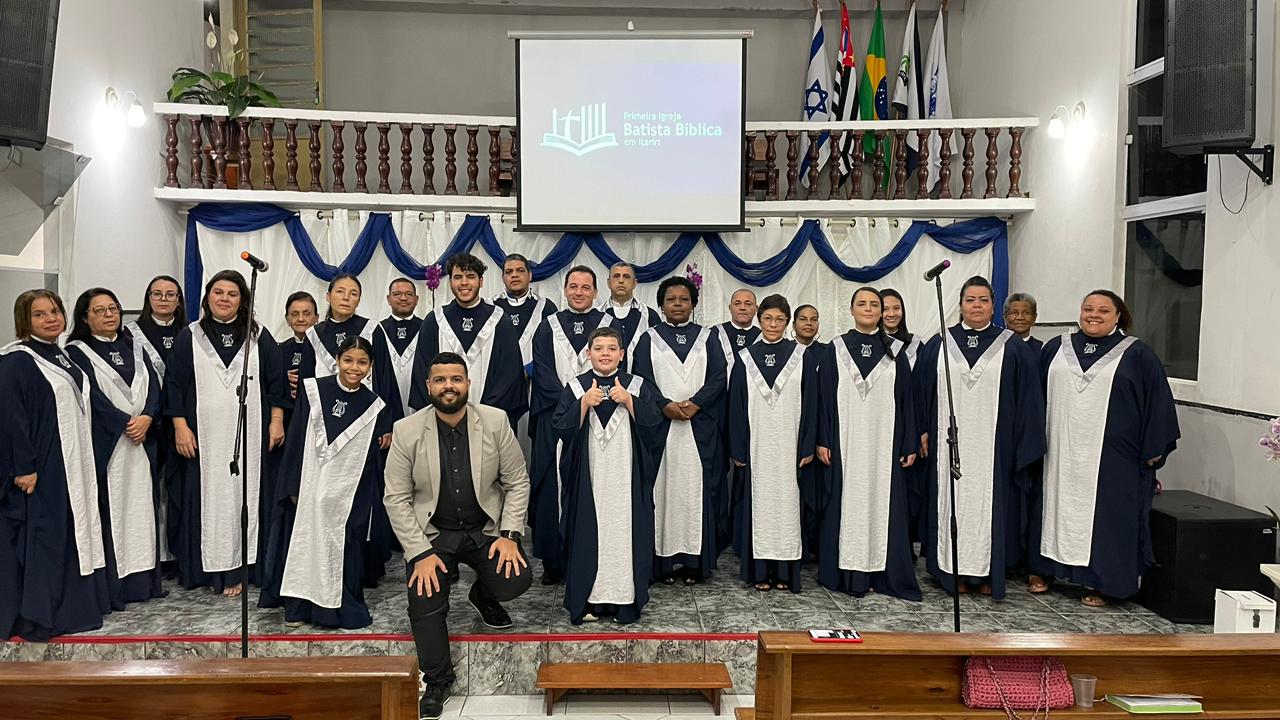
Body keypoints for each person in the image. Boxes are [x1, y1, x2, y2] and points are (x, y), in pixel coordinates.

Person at [385, 352, 532, 720]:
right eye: (440, 380)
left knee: (515, 578)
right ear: (428, 386)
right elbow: (396, 498)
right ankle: (438, 680)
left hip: (485, 529)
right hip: (434, 533)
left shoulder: (495, 421)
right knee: (424, 598)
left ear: (468, 383)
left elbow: (517, 482)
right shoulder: (407, 430)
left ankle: (483, 594)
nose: (448, 386)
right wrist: (419, 553)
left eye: (456, 379)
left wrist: (509, 535)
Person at [1028, 290, 1179, 607]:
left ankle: (1101, 582)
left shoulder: (1137, 355)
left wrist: (1154, 446)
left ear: (1118, 316)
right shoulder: (1057, 347)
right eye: (1088, 308)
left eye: (1103, 310)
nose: (1093, 315)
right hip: (1059, 449)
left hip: (1113, 456)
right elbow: (1035, 396)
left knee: (1109, 517)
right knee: (1051, 505)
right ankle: (1046, 569)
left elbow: (1157, 403)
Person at [0, 289, 127, 640]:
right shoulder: (17, 361)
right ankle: (41, 615)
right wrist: (23, 466)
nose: (50, 319)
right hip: (44, 466)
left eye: (55, 311)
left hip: (73, 463)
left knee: (74, 532)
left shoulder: (62, 355)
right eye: (39, 314)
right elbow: (11, 418)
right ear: (24, 320)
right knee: (46, 537)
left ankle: (76, 607)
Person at [914, 276, 1045, 600]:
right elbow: (920, 393)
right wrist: (923, 430)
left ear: (993, 306)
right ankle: (950, 572)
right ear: (960, 305)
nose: (976, 306)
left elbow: (1030, 402)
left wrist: (1022, 446)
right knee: (949, 502)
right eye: (970, 300)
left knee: (993, 508)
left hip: (996, 450)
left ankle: (988, 573)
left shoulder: (1012, 347)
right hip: (947, 447)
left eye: (983, 300)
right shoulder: (939, 343)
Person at [165, 269, 288, 596]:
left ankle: (246, 568)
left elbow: (276, 381)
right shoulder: (189, 336)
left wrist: (277, 420)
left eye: (232, 294)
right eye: (218, 292)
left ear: (242, 300)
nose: (224, 299)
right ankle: (211, 570)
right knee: (210, 498)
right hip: (203, 438)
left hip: (251, 434)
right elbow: (174, 384)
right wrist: (180, 426)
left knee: (246, 495)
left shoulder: (258, 336)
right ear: (207, 297)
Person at [260, 336, 389, 628]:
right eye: (348, 360)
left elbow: (370, 461)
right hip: (308, 487)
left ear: (370, 367)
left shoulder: (373, 406)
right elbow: (295, 441)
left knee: (344, 547)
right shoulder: (313, 391)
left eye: (362, 362)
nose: (354, 368)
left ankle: (332, 609)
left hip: (347, 496)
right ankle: (298, 606)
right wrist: (292, 485)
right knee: (304, 542)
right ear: (337, 361)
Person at [553, 326, 663, 624]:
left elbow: (655, 427)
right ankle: (588, 600)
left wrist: (629, 401)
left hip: (626, 476)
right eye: (599, 348)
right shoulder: (576, 387)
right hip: (589, 479)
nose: (605, 354)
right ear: (588, 354)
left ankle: (625, 600)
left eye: (612, 348)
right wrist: (582, 404)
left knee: (624, 534)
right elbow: (559, 428)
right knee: (588, 533)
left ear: (622, 354)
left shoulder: (637, 386)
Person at [816, 288, 920, 601]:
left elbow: (907, 401)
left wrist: (909, 442)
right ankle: (847, 574)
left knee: (882, 504)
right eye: (862, 303)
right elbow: (823, 399)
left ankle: (882, 574)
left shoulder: (895, 351)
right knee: (846, 503)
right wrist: (823, 439)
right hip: (845, 442)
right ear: (851, 310)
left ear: (882, 312)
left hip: (884, 445)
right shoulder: (835, 349)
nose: (868, 308)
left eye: (875, 304)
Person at [66, 288, 165, 608]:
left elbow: (154, 386)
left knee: (142, 511)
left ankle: (144, 583)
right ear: (85, 317)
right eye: (100, 310)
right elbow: (89, 396)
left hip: (142, 442)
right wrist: (124, 421)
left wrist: (148, 417)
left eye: (113, 308)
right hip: (109, 443)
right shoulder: (77, 353)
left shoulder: (134, 347)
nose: (109, 315)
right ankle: (117, 586)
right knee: (114, 512)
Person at [630, 277, 726, 584]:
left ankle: (696, 564)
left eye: (684, 299)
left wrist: (697, 404)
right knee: (662, 492)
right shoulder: (648, 339)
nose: (678, 304)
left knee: (696, 492)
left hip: (699, 429)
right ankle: (663, 563)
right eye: (671, 299)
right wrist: (664, 405)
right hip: (662, 430)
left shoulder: (708, 337)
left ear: (693, 304)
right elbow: (641, 379)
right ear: (661, 304)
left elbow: (718, 377)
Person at [727, 295, 818, 592]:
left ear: (787, 322)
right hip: (757, 448)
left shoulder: (801, 356)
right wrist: (737, 448)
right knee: (760, 507)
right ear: (759, 320)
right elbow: (736, 406)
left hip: (790, 446)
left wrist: (807, 445)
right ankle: (760, 572)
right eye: (768, 318)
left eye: (780, 319)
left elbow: (812, 404)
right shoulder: (745, 358)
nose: (773, 324)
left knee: (788, 507)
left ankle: (785, 572)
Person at [529, 266, 613, 585]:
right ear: (565, 290)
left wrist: (592, 401)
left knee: (595, 484)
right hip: (555, 417)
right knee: (552, 486)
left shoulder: (609, 325)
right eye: (573, 286)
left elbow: (615, 369)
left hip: (599, 416)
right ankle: (554, 560)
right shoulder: (547, 326)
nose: (579, 292)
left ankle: (591, 555)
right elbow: (543, 373)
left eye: (586, 287)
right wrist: (574, 403)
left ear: (596, 292)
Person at [408, 253, 527, 427]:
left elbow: (509, 376)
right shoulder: (434, 321)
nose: (464, 282)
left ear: (481, 281)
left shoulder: (500, 321)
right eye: (458, 277)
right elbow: (422, 373)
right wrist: (445, 412)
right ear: (450, 282)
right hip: (442, 420)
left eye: (470, 276)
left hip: (489, 422)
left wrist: (485, 415)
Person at [125, 275, 186, 566]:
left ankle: (176, 553)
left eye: (170, 294)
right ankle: (152, 555)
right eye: (157, 294)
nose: (163, 299)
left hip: (182, 421)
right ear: (148, 298)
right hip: (148, 422)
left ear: (179, 300)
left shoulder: (191, 332)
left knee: (177, 488)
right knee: (148, 487)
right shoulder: (130, 334)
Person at [493, 254, 557, 462]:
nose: (514, 275)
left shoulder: (546, 307)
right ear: (503, 277)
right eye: (509, 272)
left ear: (530, 275)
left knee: (535, 443)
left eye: (520, 270)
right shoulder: (491, 307)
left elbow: (554, 349)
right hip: (503, 389)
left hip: (536, 386)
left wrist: (529, 370)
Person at [373, 278, 422, 421]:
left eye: (409, 294)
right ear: (388, 299)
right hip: (387, 408)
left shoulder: (427, 328)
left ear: (416, 299)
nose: (403, 298)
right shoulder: (377, 330)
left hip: (420, 407)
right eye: (397, 294)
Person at [599, 261, 661, 364]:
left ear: (634, 283)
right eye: (616, 276)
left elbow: (658, 353)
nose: (621, 281)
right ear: (608, 283)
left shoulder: (649, 315)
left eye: (626, 277)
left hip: (641, 373)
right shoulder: (597, 314)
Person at [282, 291, 319, 404]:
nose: (301, 319)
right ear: (287, 319)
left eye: (307, 314)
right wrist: (283, 380)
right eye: (295, 314)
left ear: (317, 318)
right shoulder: (279, 350)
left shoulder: (325, 348)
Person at [715, 289, 761, 370]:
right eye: (737, 304)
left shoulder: (762, 337)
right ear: (730, 308)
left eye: (748, 304)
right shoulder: (714, 333)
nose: (742, 308)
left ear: (756, 308)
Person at [880, 289, 922, 368]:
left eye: (896, 308)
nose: (892, 314)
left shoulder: (915, 343)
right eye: (885, 309)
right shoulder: (872, 343)